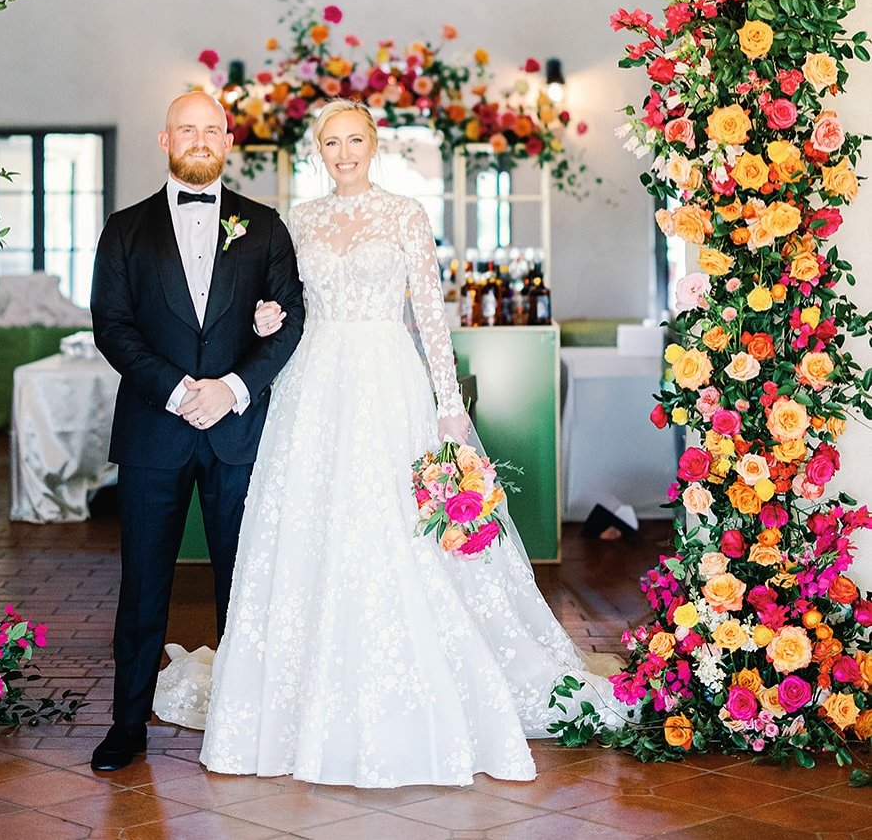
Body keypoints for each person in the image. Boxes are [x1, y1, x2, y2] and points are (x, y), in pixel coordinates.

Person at [190, 98, 622, 787]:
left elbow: (430, 317)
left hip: (386, 379)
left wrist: (449, 408)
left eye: (353, 139)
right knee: (313, 523)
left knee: (394, 523)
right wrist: (267, 314)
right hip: (312, 383)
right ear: (318, 151)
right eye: (330, 143)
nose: (343, 153)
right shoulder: (298, 220)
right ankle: (304, 698)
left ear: (374, 143)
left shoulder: (404, 214)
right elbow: (286, 305)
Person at [89, 91, 305, 772]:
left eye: (212, 129)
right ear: (165, 140)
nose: (201, 139)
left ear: (229, 140)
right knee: (143, 583)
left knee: (242, 582)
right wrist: (182, 391)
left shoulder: (264, 226)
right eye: (187, 128)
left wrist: (231, 388)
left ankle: (242, 723)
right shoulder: (125, 229)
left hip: (238, 432)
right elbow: (112, 326)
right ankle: (127, 723)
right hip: (154, 430)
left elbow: (290, 319)